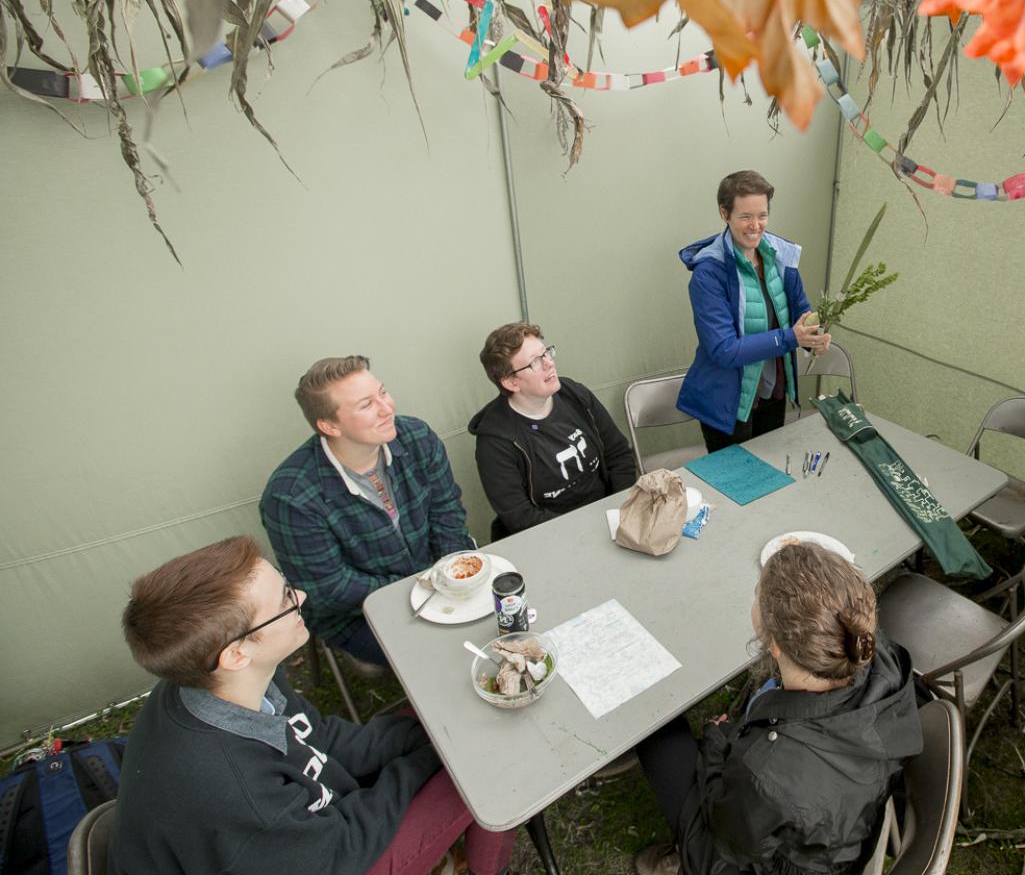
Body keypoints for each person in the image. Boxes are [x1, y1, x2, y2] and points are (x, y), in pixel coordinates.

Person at [109, 535, 514, 875]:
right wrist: (431, 760)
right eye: (286, 599)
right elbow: (344, 848)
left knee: (442, 722)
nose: (300, 595)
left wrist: (429, 737)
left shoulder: (222, 679)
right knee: (486, 774)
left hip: (301, 840)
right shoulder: (235, 793)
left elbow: (318, 737)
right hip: (330, 857)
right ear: (236, 653)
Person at [632, 542, 923, 875]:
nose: (753, 600)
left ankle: (684, 857)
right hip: (844, 829)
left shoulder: (767, 771)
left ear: (773, 644)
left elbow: (729, 830)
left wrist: (714, 743)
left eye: (757, 594)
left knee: (657, 732)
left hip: (764, 856)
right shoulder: (876, 654)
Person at [261, 356, 472, 666]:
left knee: (499, 615)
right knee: (441, 655)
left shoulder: (417, 437)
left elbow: (447, 512)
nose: (387, 408)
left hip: (438, 576)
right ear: (329, 425)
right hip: (358, 615)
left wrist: (449, 574)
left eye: (383, 393)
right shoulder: (291, 497)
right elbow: (330, 589)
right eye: (366, 405)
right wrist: (423, 588)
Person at [677, 170, 832, 452]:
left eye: (762, 215)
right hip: (728, 403)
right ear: (725, 214)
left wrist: (814, 337)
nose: (755, 226)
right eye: (745, 216)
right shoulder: (709, 273)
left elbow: (800, 312)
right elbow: (724, 350)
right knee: (736, 488)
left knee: (771, 479)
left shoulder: (779, 255)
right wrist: (790, 338)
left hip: (772, 393)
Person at [470, 322, 639, 540]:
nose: (549, 363)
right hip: (550, 537)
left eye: (546, 353)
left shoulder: (574, 394)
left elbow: (619, 454)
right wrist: (583, 532)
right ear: (511, 382)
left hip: (608, 516)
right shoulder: (495, 441)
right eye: (535, 362)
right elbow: (520, 517)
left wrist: (618, 510)